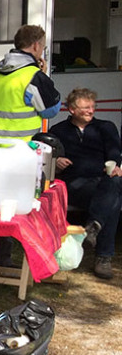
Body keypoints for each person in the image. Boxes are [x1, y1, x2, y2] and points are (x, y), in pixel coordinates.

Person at [49, 87, 122, 279]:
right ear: (72, 110)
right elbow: (49, 156)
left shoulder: (105, 127)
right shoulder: (58, 131)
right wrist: (56, 162)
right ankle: (103, 257)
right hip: (73, 182)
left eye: (93, 107)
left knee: (113, 185)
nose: (91, 111)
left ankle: (95, 226)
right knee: (113, 201)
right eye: (85, 108)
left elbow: (115, 151)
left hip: (101, 181)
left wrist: (116, 165)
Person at [0, 24, 62, 138]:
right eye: (43, 47)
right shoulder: (35, 77)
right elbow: (51, 111)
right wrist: (43, 78)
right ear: (36, 46)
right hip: (22, 150)